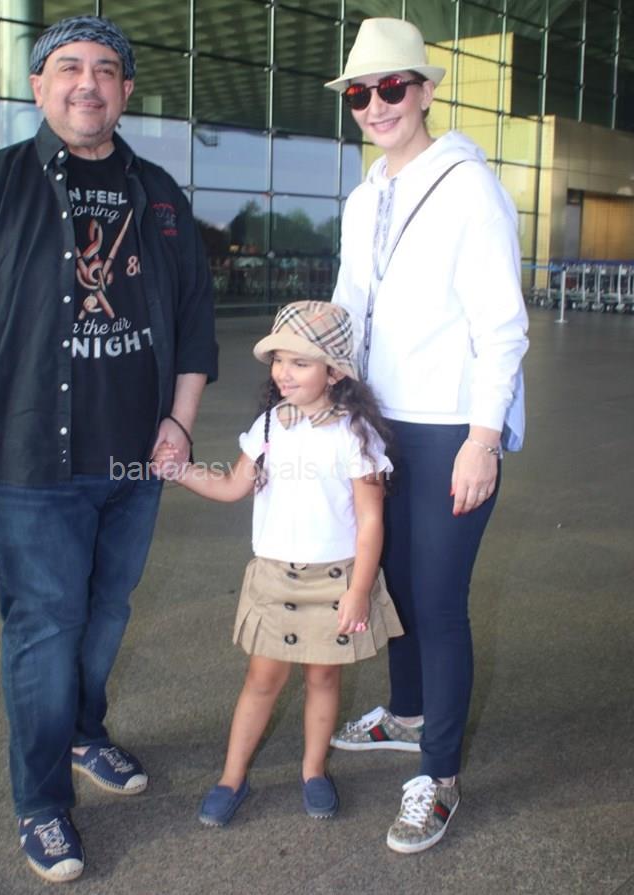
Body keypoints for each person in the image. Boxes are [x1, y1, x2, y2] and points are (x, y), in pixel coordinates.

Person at [0, 15, 217, 883]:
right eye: (70, 68)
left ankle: (84, 732)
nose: (89, 83)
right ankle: (41, 801)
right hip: (26, 460)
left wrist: (180, 424)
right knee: (46, 628)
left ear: (126, 91)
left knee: (107, 612)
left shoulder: (157, 194)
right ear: (40, 86)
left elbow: (193, 318)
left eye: (107, 70)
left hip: (134, 459)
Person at [324, 18, 529, 854]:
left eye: (391, 88)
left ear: (424, 90)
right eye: (359, 93)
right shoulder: (364, 196)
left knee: (438, 599)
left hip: (450, 424)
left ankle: (438, 774)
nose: (375, 105)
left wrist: (484, 436)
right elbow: (348, 306)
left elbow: (502, 326)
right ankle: (407, 713)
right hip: (379, 419)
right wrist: (320, 389)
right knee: (397, 583)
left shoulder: (469, 188)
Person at [154, 301, 403, 826]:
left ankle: (313, 771)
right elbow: (231, 486)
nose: (283, 373)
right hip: (273, 577)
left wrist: (359, 590)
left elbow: (371, 521)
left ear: (334, 373)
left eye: (300, 363)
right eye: (279, 361)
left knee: (323, 680)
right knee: (261, 680)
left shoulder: (356, 435)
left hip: (334, 581)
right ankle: (231, 776)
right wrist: (180, 471)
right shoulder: (269, 425)